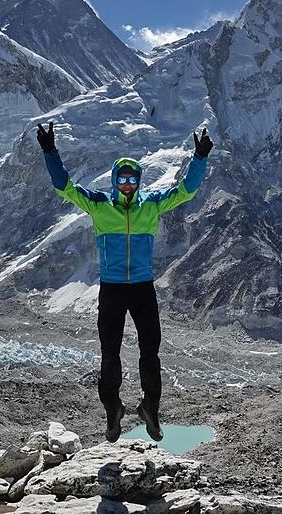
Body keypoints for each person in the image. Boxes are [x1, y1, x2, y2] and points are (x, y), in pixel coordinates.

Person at [37, 121, 213, 442]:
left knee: (150, 352)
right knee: (110, 354)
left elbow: (186, 190)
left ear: (139, 181)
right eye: (123, 179)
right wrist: (50, 151)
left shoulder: (152, 204)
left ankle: (151, 409)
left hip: (143, 288)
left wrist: (199, 157)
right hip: (113, 290)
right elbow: (66, 187)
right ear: (116, 181)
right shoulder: (100, 205)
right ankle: (112, 411)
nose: (128, 184)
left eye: (133, 179)